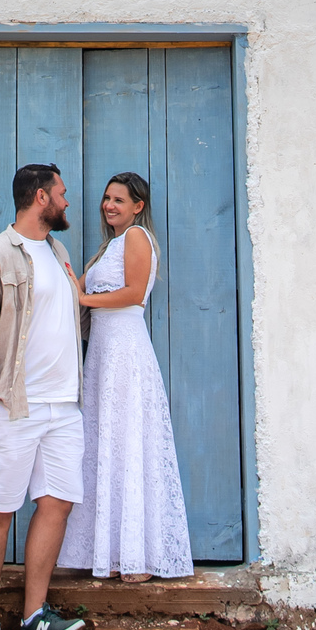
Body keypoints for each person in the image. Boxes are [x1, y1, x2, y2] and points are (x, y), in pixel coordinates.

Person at [0, 163, 89, 630]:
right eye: (61, 192)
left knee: (56, 502)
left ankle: (35, 615)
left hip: (62, 406)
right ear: (40, 198)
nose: (67, 201)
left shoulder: (58, 252)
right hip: (14, 406)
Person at [59, 172, 193, 581]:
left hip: (126, 352)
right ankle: (113, 553)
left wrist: (83, 296)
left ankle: (140, 555)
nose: (109, 205)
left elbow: (134, 293)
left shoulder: (137, 238)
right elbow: (72, 292)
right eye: (106, 198)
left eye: (119, 199)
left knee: (129, 442)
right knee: (108, 445)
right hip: (101, 353)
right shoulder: (107, 249)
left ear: (138, 206)